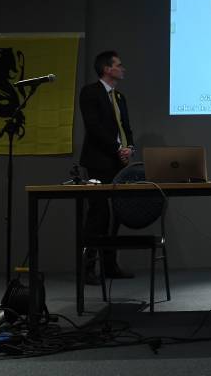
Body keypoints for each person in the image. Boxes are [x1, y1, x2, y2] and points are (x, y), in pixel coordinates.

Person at [79, 50, 135, 283]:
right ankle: (88, 268)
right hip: (99, 162)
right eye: (119, 65)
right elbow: (94, 128)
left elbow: (126, 128)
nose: (123, 69)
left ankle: (110, 265)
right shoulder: (90, 92)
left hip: (118, 164)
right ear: (106, 69)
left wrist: (130, 147)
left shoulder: (120, 97)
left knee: (116, 216)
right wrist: (116, 149)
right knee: (98, 214)